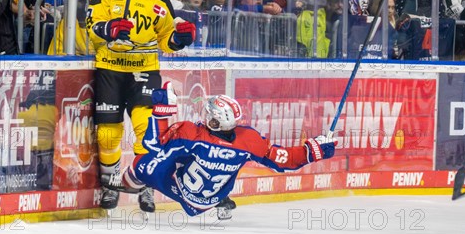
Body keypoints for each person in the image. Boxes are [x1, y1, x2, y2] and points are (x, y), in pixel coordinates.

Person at [106, 84, 337, 220]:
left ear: (216, 122)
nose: (205, 117)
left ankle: (130, 181)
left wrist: (161, 112)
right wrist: (314, 150)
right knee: (212, 161)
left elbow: (154, 144)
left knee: (147, 162)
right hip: (211, 198)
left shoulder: (191, 133)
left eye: (210, 115)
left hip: (183, 192)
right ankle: (220, 198)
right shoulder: (249, 140)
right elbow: (285, 160)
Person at [86, 0, 196, 212]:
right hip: (110, 67)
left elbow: (167, 39)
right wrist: (110, 28)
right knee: (108, 135)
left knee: (144, 131)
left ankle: (145, 184)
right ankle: (110, 185)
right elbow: (91, 24)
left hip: (144, 70)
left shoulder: (160, 0)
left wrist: (179, 39)